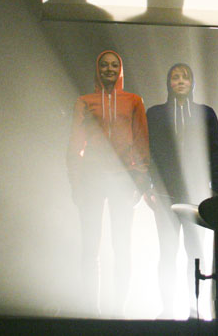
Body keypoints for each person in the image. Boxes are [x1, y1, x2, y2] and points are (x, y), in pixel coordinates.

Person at [67, 50, 150, 317]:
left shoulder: (134, 100)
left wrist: (139, 178)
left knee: (121, 244)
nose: (109, 69)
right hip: (92, 177)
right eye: (104, 65)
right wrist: (75, 180)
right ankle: (91, 308)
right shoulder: (84, 101)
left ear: (120, 70)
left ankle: (118, 310)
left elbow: (141, 141)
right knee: (90, 244)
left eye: (114, 65)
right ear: (97, 69)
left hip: (122, 178)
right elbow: (75, 142)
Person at [145, 63, 218, 318]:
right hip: (166, 193)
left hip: (196, 195)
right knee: (167, 252)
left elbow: (215, 150)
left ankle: (194, 309)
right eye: (175, 77)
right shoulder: (155, 114)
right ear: (169, 83)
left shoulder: (205, 113)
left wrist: (217, 186)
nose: (180, 81)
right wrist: (149, 185)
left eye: (185, 77)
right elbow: (148, 151)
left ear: (192, 83)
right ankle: (167, 309)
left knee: (195, 253)